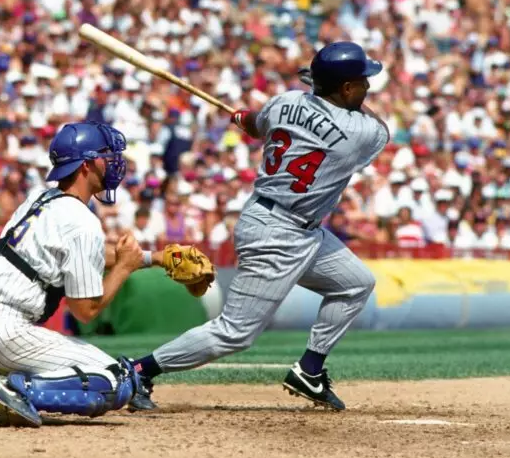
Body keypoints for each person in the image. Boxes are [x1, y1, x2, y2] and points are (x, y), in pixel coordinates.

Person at [128, 41, 389, 412]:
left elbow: (254, 125)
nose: (368, 87)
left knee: (355, 284)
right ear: (346, 89)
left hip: (293, 225)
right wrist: (319, 90)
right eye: (362, 82)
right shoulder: (362, 131)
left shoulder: (284, 102)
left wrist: (246, 116)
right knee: (234, 332)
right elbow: (379, 125)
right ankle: (137, 370)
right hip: (278, 232)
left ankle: (309, 370)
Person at [0, 122, 213, 428]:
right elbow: (86, 310)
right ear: (86, 165)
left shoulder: (39, 197)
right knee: (117, 379)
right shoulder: (82, 221)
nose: (113, 163)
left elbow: (82, 256)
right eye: (106, 156)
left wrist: (156, 258)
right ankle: (12, 390)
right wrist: (124, 268)